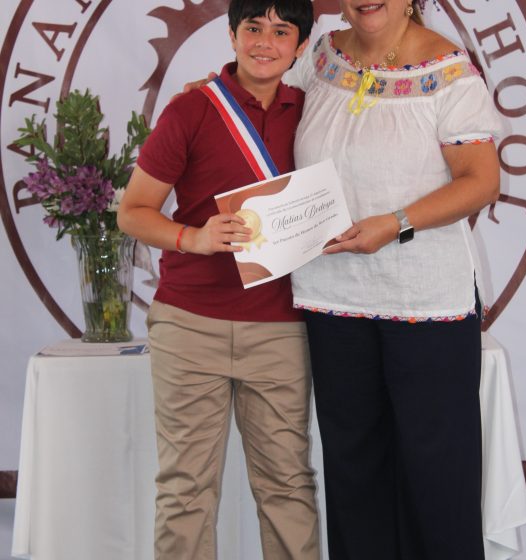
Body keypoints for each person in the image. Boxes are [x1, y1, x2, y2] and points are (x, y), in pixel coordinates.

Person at [282, 0, 502, 558]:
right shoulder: (319, 56)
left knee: (438, 482)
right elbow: (260, 102)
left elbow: (480, 181)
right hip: (332, 299)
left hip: (424, 304)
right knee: (354, 475)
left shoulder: (449, 72)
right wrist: (208, 92)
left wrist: (396, 223)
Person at [117, 1, 319, 559]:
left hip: (280, 326)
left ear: (301, 46)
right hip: (190, 325)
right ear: (232, 34)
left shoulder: (313, 112)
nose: (264, 43)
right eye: (253, 28)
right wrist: (194, 237)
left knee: (288, 486)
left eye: (281, 32)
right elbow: (132, 212)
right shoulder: (191, 108)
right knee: (185, 489)